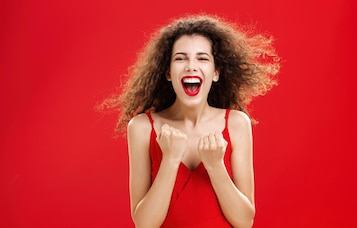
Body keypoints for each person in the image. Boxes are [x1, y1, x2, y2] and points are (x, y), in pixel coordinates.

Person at [100, 13, 280, 227]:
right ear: (168, 72)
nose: (191, 66)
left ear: (215, 72)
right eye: (180, 58)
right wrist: (170, 160)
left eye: (202, 58)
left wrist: (215, 166)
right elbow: (144, 224)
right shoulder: (141, 128)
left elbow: (244, 222)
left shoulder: (236, 124)